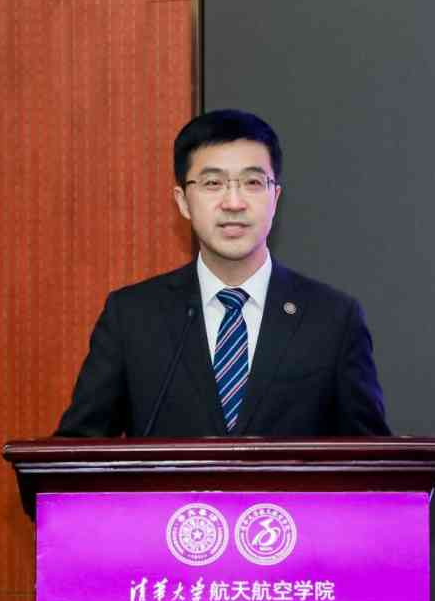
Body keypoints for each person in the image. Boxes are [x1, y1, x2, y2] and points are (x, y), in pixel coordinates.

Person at [55, 109, 389, 437]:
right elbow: (74, 456)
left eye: (252, 182)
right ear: (183, 201)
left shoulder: (333, 319)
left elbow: (374, 462)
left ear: (275, 197)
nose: (233, 202)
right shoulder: (132, 317)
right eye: (213, 183)